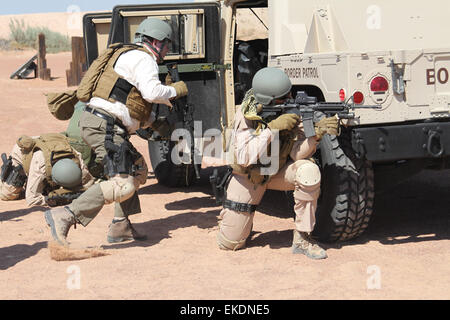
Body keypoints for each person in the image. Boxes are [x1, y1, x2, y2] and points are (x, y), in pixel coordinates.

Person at [44, 17, 188, 245]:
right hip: (105, 127)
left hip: (101, 123)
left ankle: (120, 227)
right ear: (156, 41)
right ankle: (65, 215)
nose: (168, 49)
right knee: (123, 184)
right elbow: (152, 92)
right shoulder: (144, 59)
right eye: (167, 43)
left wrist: (154, 123)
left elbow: (126, 102)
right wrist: (175, 90)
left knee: (137, 169)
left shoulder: (130, 55)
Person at [216, 67, 339, 259]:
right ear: (269, 101)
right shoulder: (244, 115)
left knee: (308, 170)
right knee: (230, 243)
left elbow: (297, 154)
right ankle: (238, 220)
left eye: (289, 94)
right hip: (250, 176)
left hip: (279, 172)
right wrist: (272, 129)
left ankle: (302, 239)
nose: (289, 99)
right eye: (284, 97)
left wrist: (315, 136)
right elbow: (244, 157)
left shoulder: (291, 111)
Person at [0, 133, 94, 207]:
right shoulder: (40, 165)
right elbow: (32, 199)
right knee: (8, 195)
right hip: (22, 154)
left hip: (50, 147)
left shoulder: (77, 158)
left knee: (48, 189)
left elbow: (89, 184)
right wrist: (55, 200)